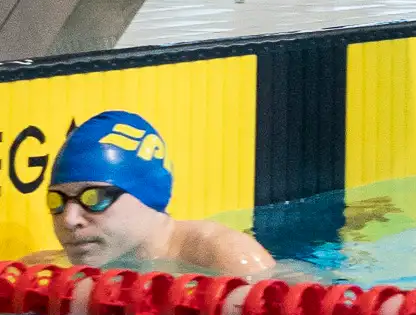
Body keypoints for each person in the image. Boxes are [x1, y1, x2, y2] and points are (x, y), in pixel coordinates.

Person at [20, 111, 273, 278]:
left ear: (145, 196)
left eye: (93, 198)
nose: (69, 219)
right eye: (57, 202)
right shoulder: (43, 270)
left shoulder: (225, 259)